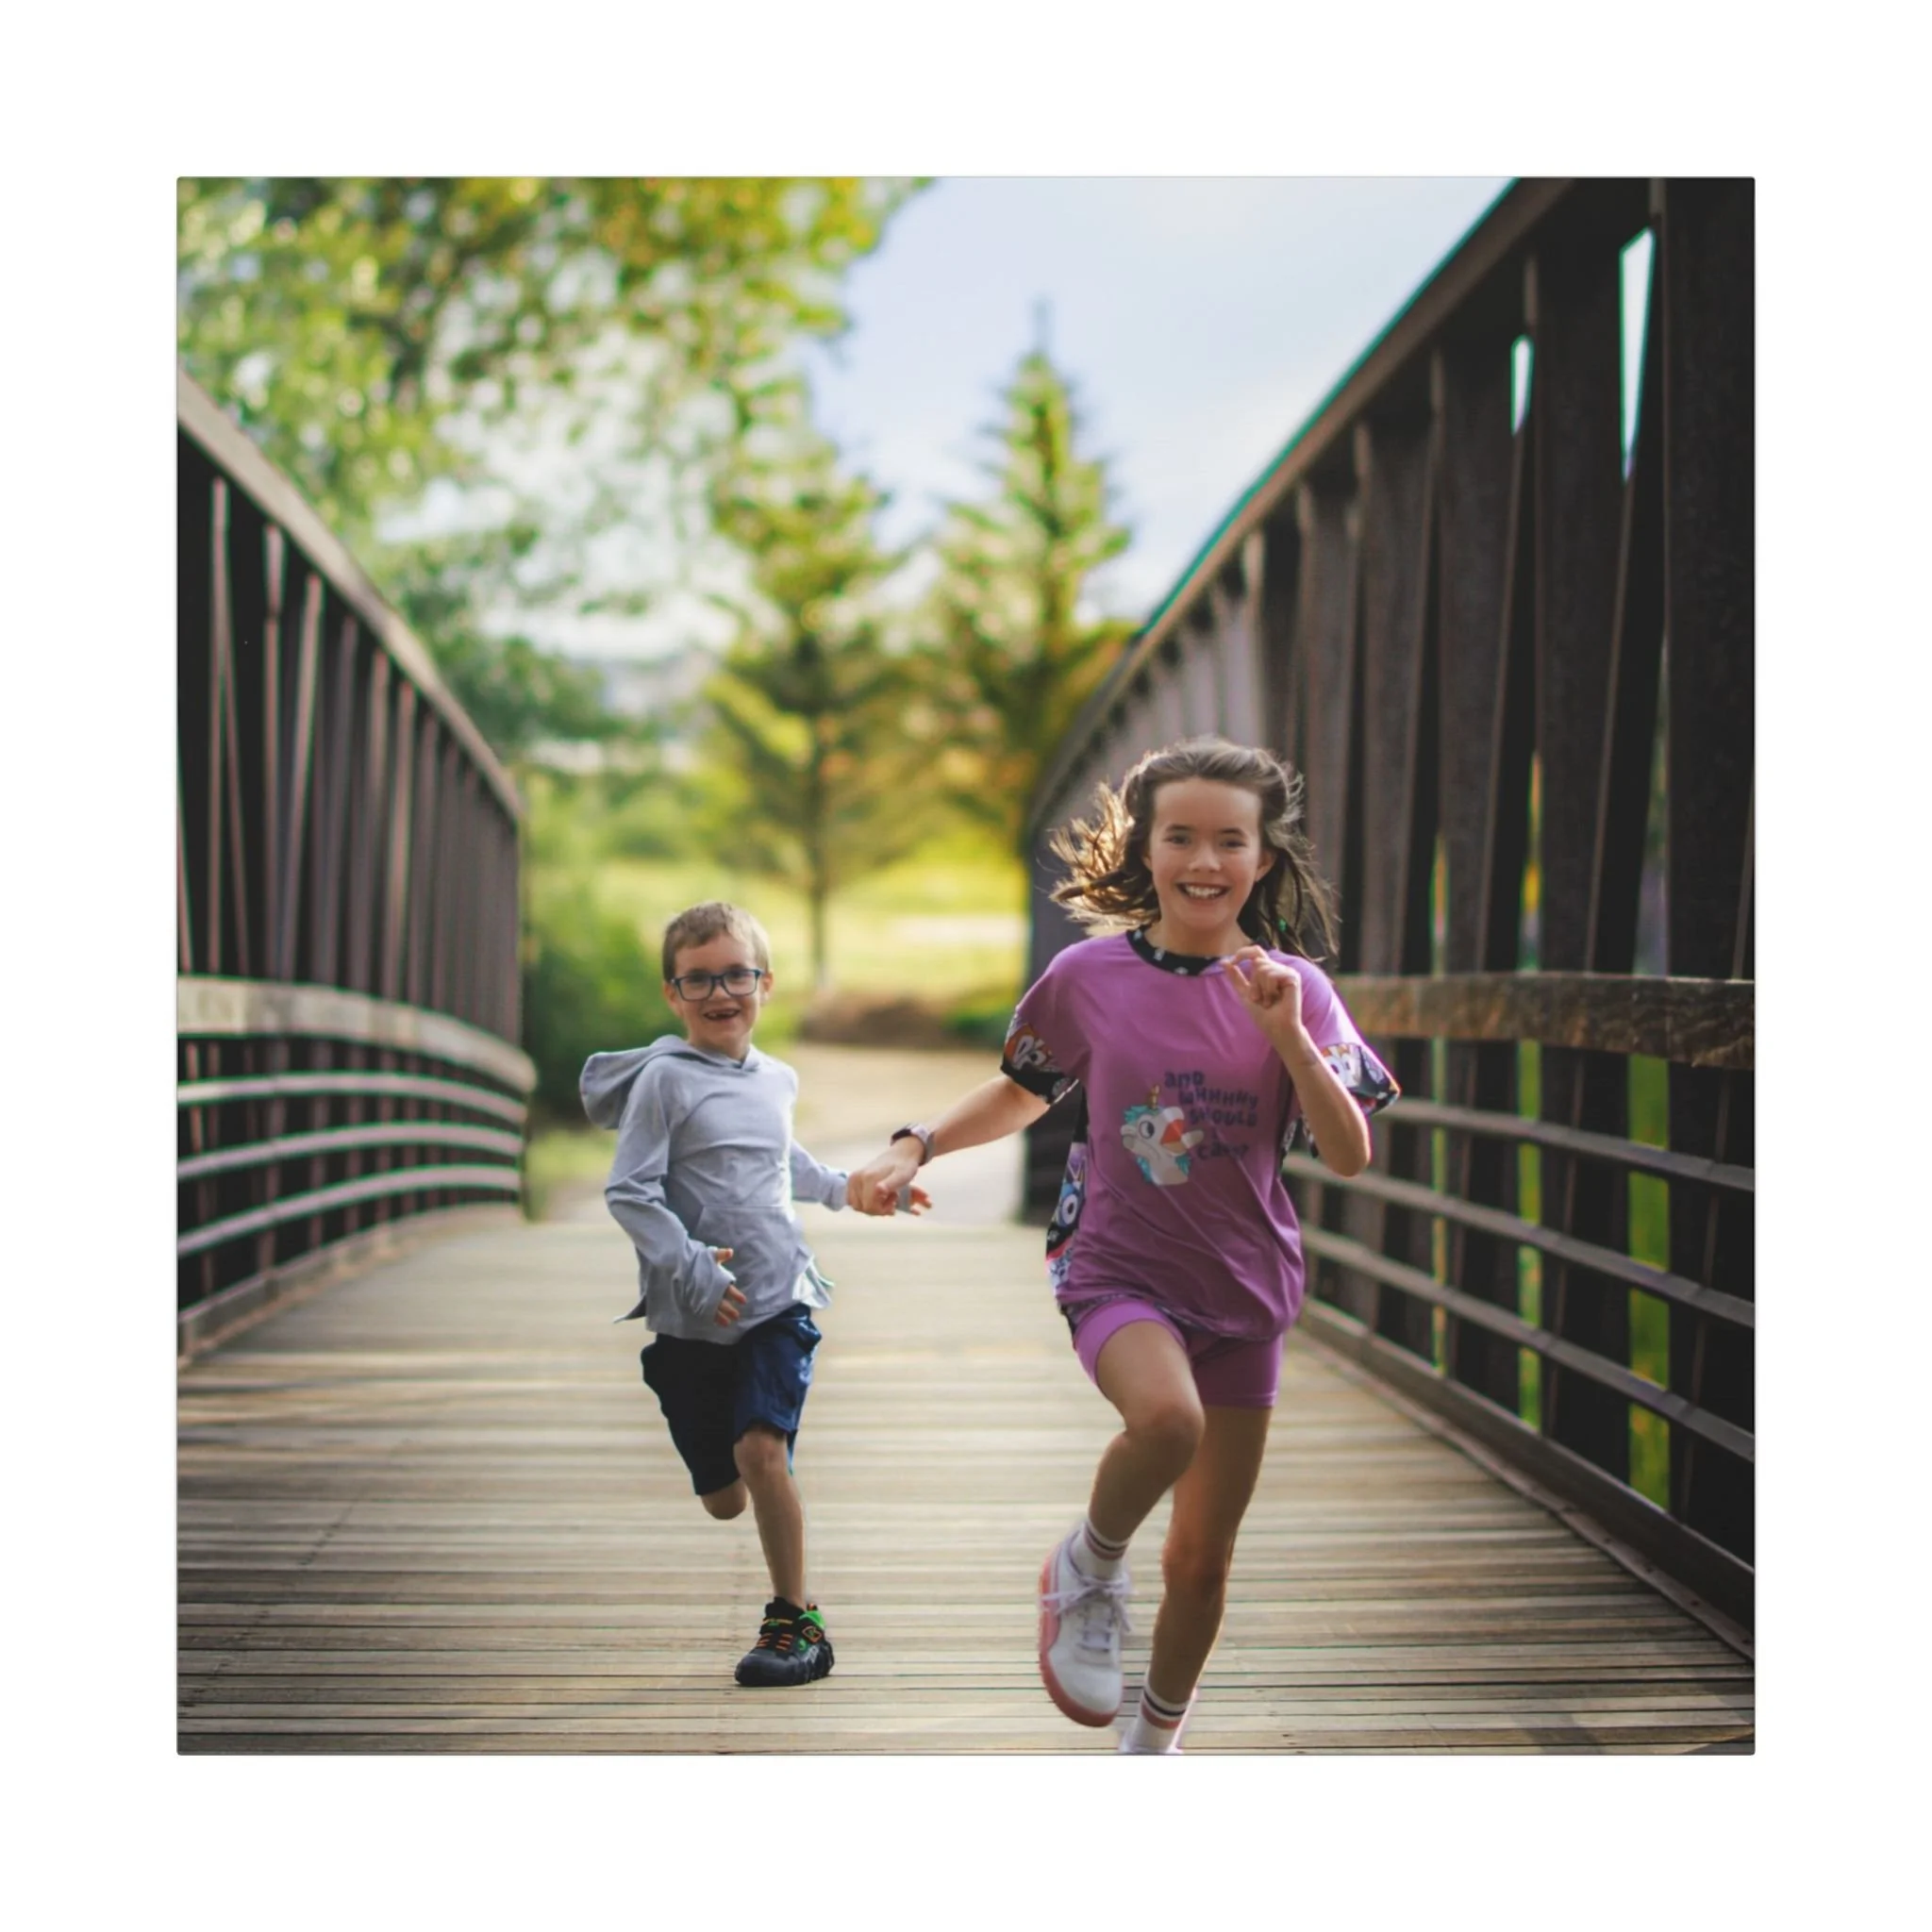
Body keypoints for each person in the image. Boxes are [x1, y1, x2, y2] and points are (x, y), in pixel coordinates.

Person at [846, 738, 1397, 1752]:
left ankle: (1151, 1748)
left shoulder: (1298, 992)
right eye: (1179, 836)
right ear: (1145, 848)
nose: (1204, 860)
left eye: (1229, 840)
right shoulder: (1087, 975)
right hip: (1115, 1267)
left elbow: (1349, 1151)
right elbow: (1022, 1089)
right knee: (1167, 1421)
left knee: (1201, 1560)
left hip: (1245, 1287)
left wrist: (1286, 1036)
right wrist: (914, 1144)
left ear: (1263, 857)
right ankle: (1088, 1564)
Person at [581, 900, 927, 1689]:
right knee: (724, 1498)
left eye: (736, 975)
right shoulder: (665, 1081)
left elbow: (783, 1163)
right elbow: (630, 1191)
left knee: (761, 1451)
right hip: (693, 1323)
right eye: (698, 980)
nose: (720, 993)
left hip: (778, 1302)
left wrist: (853, 1190)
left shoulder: (777, 1078)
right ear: (673, 994)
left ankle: (795, 1620)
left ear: (765, 984)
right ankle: (745, 1486)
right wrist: (690, 1264)